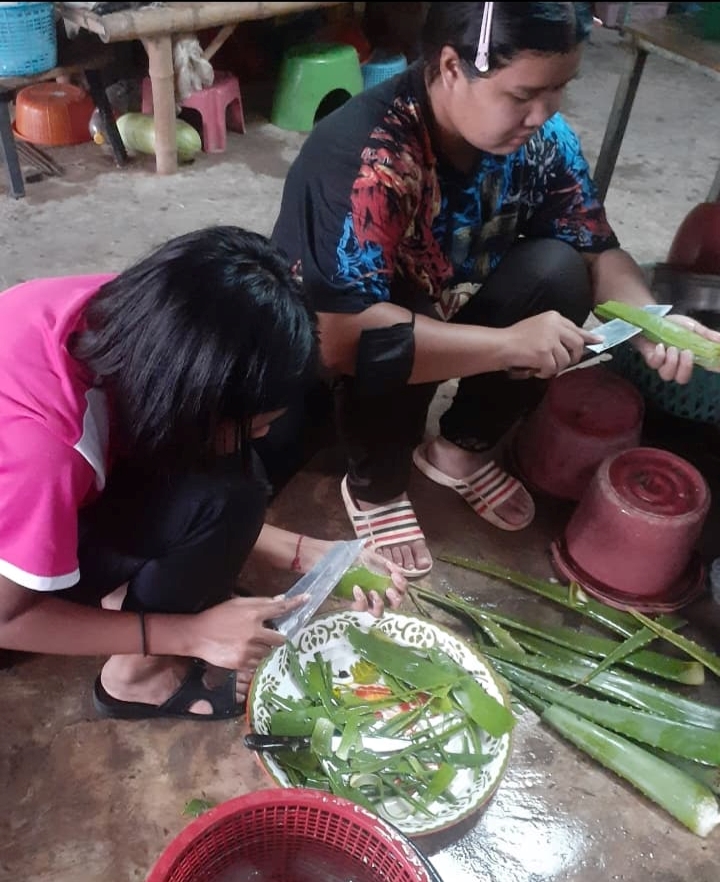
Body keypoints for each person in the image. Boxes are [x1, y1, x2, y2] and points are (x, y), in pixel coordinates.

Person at [271, 1, 720, 579]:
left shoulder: (542, 141)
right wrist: (507, 345)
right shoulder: (369, 158)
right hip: (343, 338)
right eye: (523, 94)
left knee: (559, 270)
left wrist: (649, 320)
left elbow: (595, 248)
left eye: (559, 89)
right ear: (451, 67)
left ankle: (458, 449)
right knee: (396, 318)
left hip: (451, 304)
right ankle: (376, 483)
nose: (543, 114)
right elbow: (338, 339)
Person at [0, 226, 406, 722]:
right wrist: (189, 634)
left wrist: (309, 554)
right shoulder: (50, 450)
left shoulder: (135, 314)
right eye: (255, 424)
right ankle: (136, 679)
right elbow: (6, 619)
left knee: (234, 469)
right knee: (230, 489)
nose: (260, 434)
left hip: (26, 510)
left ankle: (123, 591)